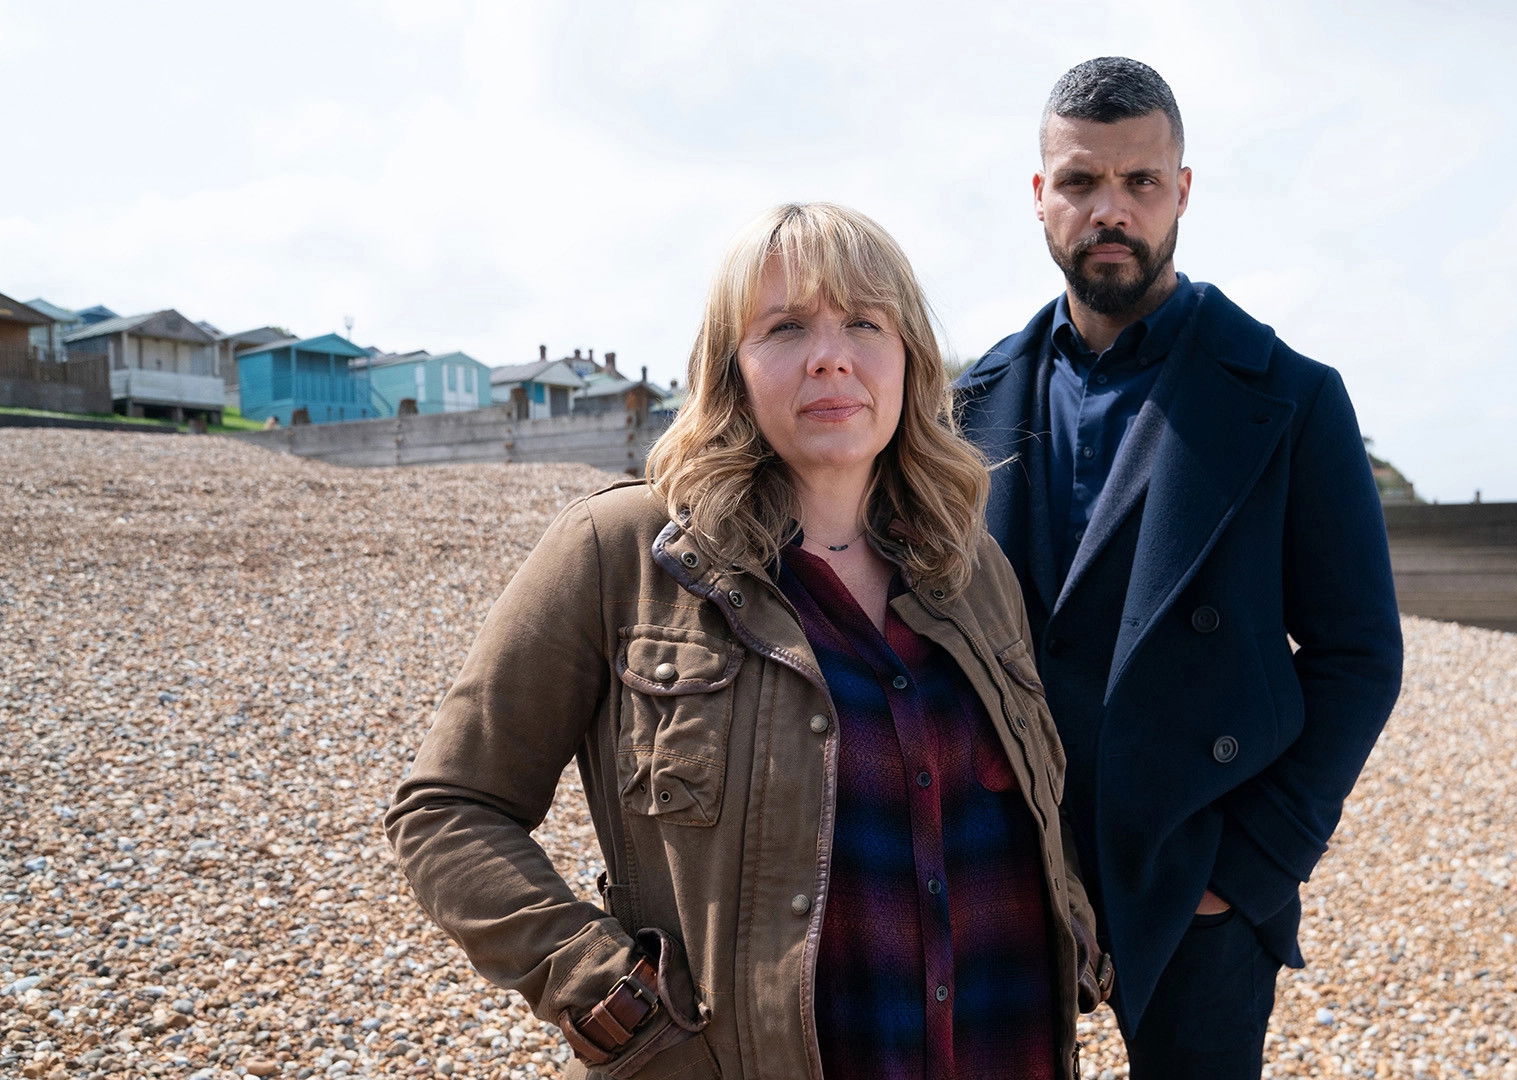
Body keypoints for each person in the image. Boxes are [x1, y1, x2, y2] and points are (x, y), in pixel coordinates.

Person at [387, 202, 1108, 1080]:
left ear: (910, 357)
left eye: (863, 322)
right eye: (786, 326)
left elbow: (1032, 799)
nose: (830, 354)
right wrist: (607, 998)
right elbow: (448, 810)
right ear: (731, 368)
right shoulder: (624, 553)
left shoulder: (974, 567)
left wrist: (1074, 926)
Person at [954, 57, 1404, 1079]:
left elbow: (1359, 654)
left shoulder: (1292, 396)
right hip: (1005, 867)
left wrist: (1250, 867)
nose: (1109, 209)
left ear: (1182, 192)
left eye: (1140, 182)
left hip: (1197, 873)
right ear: (1039, 197)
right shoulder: (964, 407)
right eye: (1079, 183)